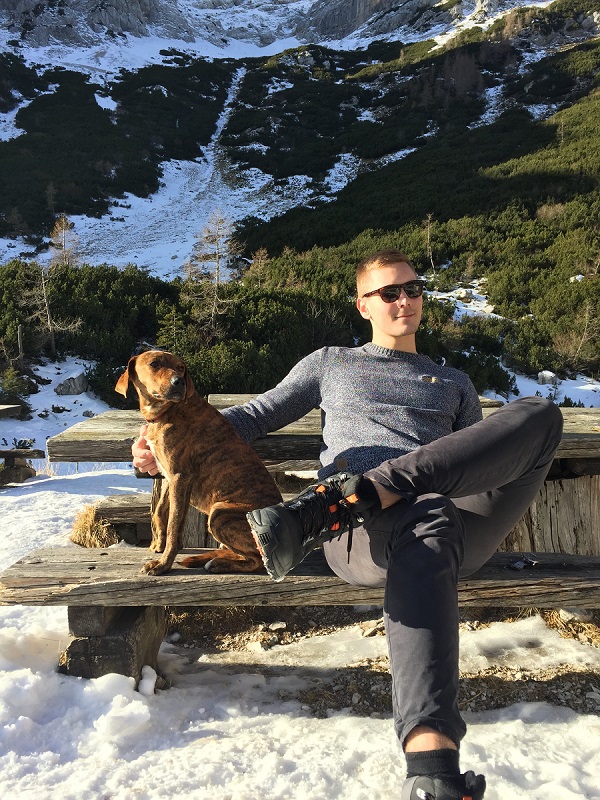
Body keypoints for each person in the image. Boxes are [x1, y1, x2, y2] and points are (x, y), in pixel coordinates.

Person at [132, 249, 563, 800]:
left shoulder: (453, 381)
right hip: (361, 537)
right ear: (363, 305)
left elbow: (473, 461)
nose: (404, 299)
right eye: (388, 292)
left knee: (540, 416)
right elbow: (253, 416)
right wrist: (158, 434)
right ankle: (433, 774)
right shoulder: (331, 363)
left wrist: (398, 481)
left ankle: (357, 494)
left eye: (413, 288)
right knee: (425, 517)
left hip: (445, 520)